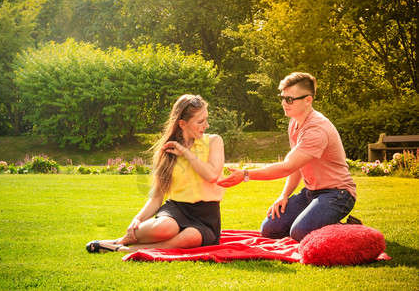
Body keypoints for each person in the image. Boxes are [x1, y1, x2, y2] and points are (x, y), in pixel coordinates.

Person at [217, 72, 360, 242]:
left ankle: (351, 229)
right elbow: (297, 166)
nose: (284, 103)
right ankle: (320, 222)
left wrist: (246, 174)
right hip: (311, 192)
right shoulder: (294, 122)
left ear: (308, 100)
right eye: (282, 98)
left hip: (337, 194)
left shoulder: (317, 129)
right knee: (270, 229)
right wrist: (283, 195)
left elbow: (287, 166)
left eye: (289, 99)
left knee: (299, 232)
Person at [86, 94, 225, 253]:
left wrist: (185, 152)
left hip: (206, 215)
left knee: (191, 237)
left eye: (206, 119)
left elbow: (212, 175)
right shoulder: (167, 152)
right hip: (176, 209)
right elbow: (156, 199)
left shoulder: (214, 141)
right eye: (200, 121)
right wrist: (137, 219)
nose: (206, 125)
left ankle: (125, 250)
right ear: (182, 124)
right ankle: (120, 241)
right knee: (164, 228)